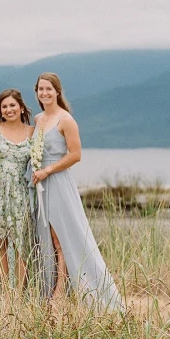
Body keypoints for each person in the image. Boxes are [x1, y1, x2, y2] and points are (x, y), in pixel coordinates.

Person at [32, 73, 124, 311]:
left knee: (63, 236)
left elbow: (75, 155)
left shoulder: (65, 120)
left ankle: (63, 290)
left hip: (58, 181)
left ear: (57, 92)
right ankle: (52, 287)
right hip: (40, 184)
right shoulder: (38, 119)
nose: (44, 93)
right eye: (41, 89)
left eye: (49, 89)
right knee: (48, 237)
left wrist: (49, 169)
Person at [0, 89, 35, 288]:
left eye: (12, 105)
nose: (9, 109)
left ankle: (19, 292)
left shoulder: (32, 131)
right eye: (4, 106)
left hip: (21, 191)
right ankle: (6, 290)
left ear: (21, 107)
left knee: (22, 242)